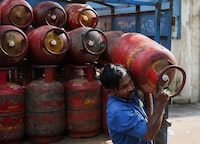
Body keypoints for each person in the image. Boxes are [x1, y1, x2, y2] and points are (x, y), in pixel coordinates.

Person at [99, 63, 169, 144]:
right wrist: (161, 104)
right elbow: (149, 134)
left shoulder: (127, 96)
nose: (131, 88)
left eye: (130, 82)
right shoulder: (119, 112)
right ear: (111, 91)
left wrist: (147, 89)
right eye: (124, 87)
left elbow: (148, 117)